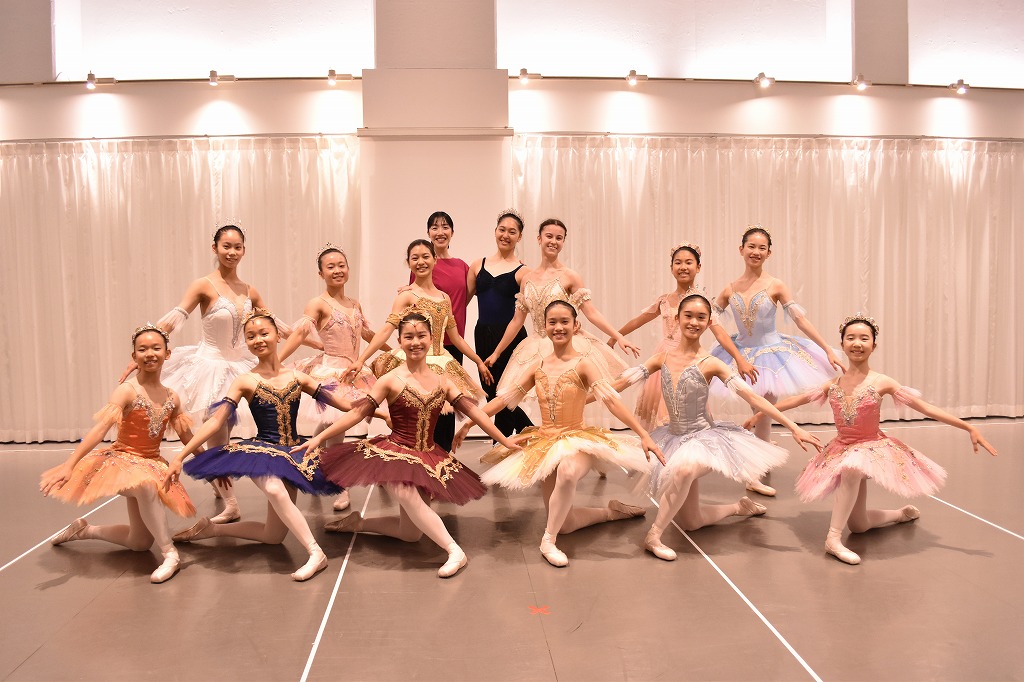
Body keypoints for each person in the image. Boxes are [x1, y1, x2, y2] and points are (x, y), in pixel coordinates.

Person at [746, 314, 998, 565]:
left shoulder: (882, 382)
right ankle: (900, 514)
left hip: (870, 447)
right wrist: (760, 413)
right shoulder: (833, 384)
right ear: (842, 344)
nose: (857, 343)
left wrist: (967, 426)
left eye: (864, 338)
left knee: (852, 469)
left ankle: (833, 539)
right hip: (842, 448)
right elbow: (795, 400)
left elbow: (925, 408)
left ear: (874, 345)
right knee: (859, 525)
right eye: (851, 338)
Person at [292, 312, 522, 578]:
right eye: (409, 337)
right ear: (400, 341)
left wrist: (504, 440)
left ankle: (359, 523)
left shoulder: (443, 381)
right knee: (405, 493)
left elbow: (475, 412)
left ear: (431, 339)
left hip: (427, 456)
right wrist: (318, 438)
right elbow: (356, 413)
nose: (415, 342)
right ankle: (454, 551)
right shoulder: (390, 380)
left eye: (421, 336)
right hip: (395, 453)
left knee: (410, 533)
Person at [455, 300, 665, 568]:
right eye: (552, 322)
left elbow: (612, 402)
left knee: (567, 472)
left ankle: (548, 541)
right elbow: (504, 400)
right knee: (564, 522)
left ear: (576, 325)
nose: (558, 327)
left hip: (577, 440)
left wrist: (643, 434)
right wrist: (469, 423)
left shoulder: (584, 364)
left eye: (565, 321)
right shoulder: (537, 365)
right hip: (546, 442)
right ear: (544, 327)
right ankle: (612, 512)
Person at [613, 294, 822, 561]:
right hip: (673, 438)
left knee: (684, 470)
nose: (694, 322)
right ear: (677, 318)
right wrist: (584, 396)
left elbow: (753, 397)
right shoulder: (661, 359)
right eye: (688, 316)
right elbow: (618, 384)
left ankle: (653, 536)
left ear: (708, 322)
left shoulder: (711, 363)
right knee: (691, 522)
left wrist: (793, 427)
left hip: (704, 440)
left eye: (701, 317)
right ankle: (739, 507)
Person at [166, 309, 367, 581]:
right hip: (262, 452)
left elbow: (346, 405)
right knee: (273, 488)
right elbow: (216, 422)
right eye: (251, 336)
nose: (258, 339)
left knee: (273, 535)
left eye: (264, 333)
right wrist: (181, 456)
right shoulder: (246, 380)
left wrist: (380, 411)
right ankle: (315, 552)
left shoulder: (298, 377)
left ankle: (210, 530)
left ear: (277, 336)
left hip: (293, 454)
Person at [121, 224, 291, 524]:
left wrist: (311, 338)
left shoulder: (250, 290)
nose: (232, 252)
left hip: (241, 364)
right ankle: (230, 501)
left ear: (244, 250)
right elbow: (174, 319)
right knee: (218, 430)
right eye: (226, 246)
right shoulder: (203, 285)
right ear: (215, 248)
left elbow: (274, 325)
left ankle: (224, 484)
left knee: (244, 427)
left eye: (237, 247)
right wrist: (146, 349)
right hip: (209, 365)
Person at [41, 325, 196, 584]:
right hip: (122, 462)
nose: (149, 353)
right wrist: (70, 464)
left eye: (156, 348)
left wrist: (213, 464)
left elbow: (188, 438)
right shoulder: (127, 390)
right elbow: (99, 430)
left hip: (152, 463)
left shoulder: (172, 397)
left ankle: (84, 530)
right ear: (134, 356)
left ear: (167, 354)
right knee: (146, 486)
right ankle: (170, 553)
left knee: (139, 542)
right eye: (142, 349)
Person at [712, 224, 844, 497]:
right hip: (741, 354)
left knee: (763, 410)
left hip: (773, 356)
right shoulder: (729, 289)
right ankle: (761, 455)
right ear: (741, 249)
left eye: (762, 248)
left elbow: (800, 319)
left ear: (769, 253)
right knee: (758, 409)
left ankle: (755, 471)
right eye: (751, 246)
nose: (756, 252)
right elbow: (710, 320)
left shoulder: (776, 285)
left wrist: (827, 349)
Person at [484, 219, 639, 411]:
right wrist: (497, 352)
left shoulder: (570, 275)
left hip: (566, 344)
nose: (553, 241)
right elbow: (517, 320)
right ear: (539, 239)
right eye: (549, 236)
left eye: (559, 238)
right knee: (545, 399)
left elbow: (591, 312)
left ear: (563, 242)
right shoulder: (527, 278)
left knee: (567, 397)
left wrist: (619, 337)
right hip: (537, 346)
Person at [278, 243, 384, 513]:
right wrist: (276, 361)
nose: (337, 270)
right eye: (330, 267)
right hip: (332, 372)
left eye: (341, 265)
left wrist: (392, 349)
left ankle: (305, 460)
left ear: (348, 269)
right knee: (337, 426)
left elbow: (367, 334)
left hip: (355, 372)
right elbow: (300, 334)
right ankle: (340, 486)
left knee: (329, 424)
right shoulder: (318, 303)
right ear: (321, 273)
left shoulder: (354, 303)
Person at [342, 239, 493, 426]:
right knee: (415, 423)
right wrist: (361, 360)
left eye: (425, 257)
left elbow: (456, 338)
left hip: (442, 366)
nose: (421, 262)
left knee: (444, 425)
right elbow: (387, 329)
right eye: (415, 258)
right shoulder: (406, 296)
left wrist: (478, 361)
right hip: (415, 367)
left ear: (435, 260)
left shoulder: (444, 298)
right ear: (409, 263)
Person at [614, 242, 757, 430]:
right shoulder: (664, 300)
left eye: (688, 262)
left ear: (698, 267)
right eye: (678, 262)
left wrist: (739, 359)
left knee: (686, 411)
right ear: (671, 267)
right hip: (664, 360)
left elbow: (720, 333)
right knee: (660, 414)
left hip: (690, 361)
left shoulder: (702, 302)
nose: (683, 267)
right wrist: (615, 336)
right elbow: (638, 320)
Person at [466, 209, 533, 437]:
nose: (506, 235)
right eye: (502, 230)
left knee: (505, 394)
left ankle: (507, 442)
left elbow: (520, 317)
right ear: (495, 231)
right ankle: (527, 435)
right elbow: (460, 301)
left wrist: (497, 352)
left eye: (512, 232)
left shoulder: (524, 272)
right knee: (491, 393)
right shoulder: (477, 265)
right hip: (483, 334)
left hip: (511, 337)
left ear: (519, 237)